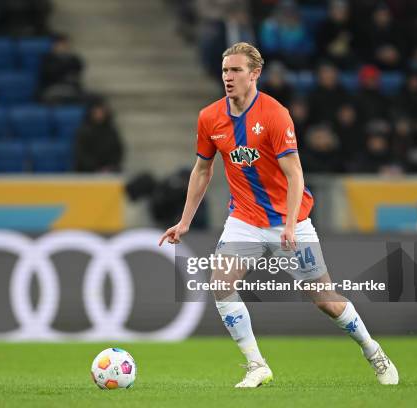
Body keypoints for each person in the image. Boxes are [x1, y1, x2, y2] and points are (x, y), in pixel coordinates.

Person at [158, 42, 398, 388]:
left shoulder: (274, 114)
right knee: (221, 284)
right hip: (243, 219)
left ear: (254, 74)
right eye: (225, 70)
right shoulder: (209, 117)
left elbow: (295, 175)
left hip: (290, 221)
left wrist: (288, 226)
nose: (228, 77)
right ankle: (257, 365)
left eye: (236, 70)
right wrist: (184, 222)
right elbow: (201, 171)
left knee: (326, 301)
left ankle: (373, 351)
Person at [74, 102, 123, 173]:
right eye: (96, 112)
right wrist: (94, 167)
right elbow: (81, 153)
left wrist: (110, 166)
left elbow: (117, 150)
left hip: (109, 170)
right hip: (87, 171)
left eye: (101, 112)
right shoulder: (84, 131)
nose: (99, 115)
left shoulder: (111, 131)